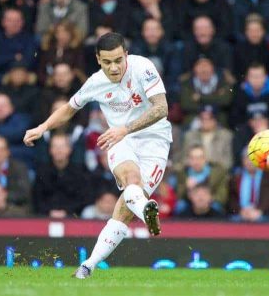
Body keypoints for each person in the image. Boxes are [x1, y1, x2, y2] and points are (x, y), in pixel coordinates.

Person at [23, 33, 172, 279]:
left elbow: (161, 108)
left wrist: (125, 127)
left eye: (118, 60)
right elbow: (69, 108)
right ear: (98, 60)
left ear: (126, 55)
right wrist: (42, 128)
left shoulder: (143, 67)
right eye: (107, 62)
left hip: (155, 142)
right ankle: (147, 209)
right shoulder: (94, 82)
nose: (113, 68)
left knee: (123, 210)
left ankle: (88, 265)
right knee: (131, 181)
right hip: (119, 140)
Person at [228, 149, 269, 222]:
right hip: (241, 214)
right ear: (242, 161)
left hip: (262, 214)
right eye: (246, 158)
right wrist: (241, 211)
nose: (250, 162)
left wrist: (259, 211)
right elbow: (232, 199)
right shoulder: (236, 177)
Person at [38, 21, 85, 85]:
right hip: (51, 85)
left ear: (71, 34)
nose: (61, 35)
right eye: (58, 32)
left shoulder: (77, 50)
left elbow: (79, 70)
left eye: (65, 32)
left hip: (72, 85)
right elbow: (41, 71)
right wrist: (50, 79)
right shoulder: (47, 50)